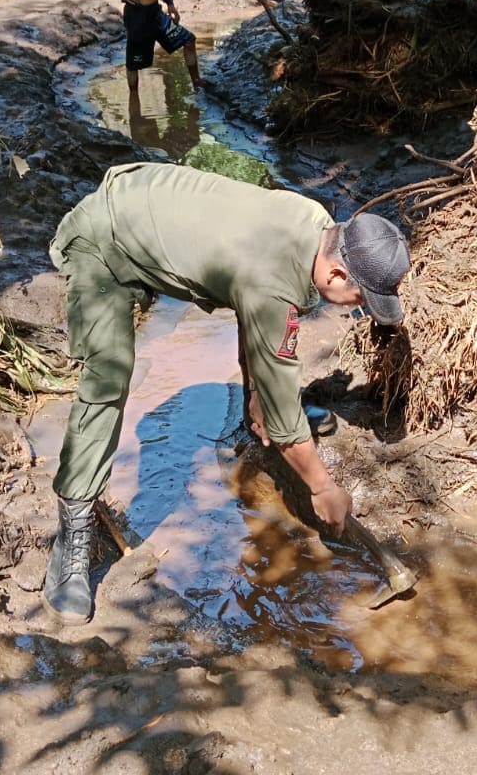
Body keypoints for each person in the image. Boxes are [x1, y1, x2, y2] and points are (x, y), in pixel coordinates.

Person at [43, 162, 411, 622]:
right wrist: (323, 488)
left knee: (275, 391)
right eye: (362, 298)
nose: (361, 309)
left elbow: (256, 312)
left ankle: (260, 416)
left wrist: (258, 392)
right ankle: (71, 535)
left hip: (151, 204)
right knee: (107, 378)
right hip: (105, 239)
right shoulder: (275, 280)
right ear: (337, 274)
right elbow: (266, 312)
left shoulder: (314, 223)